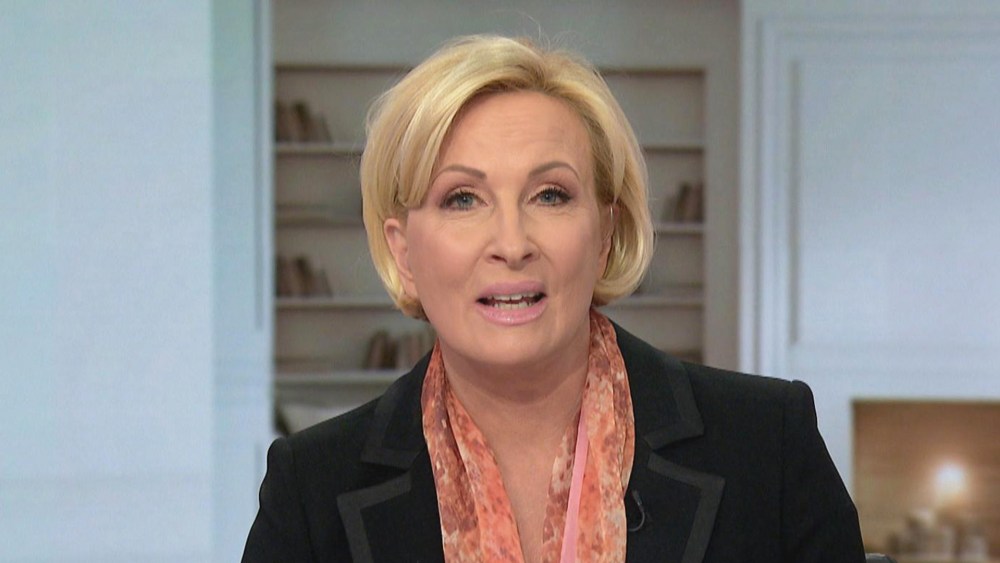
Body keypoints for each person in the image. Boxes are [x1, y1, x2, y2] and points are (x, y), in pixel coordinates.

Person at [243, 35, 865, 562]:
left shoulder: (768, 444)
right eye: (463, 199)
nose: (512, 244)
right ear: (404, 254)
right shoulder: (311, 489)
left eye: (550, 195)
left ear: (605, 234)